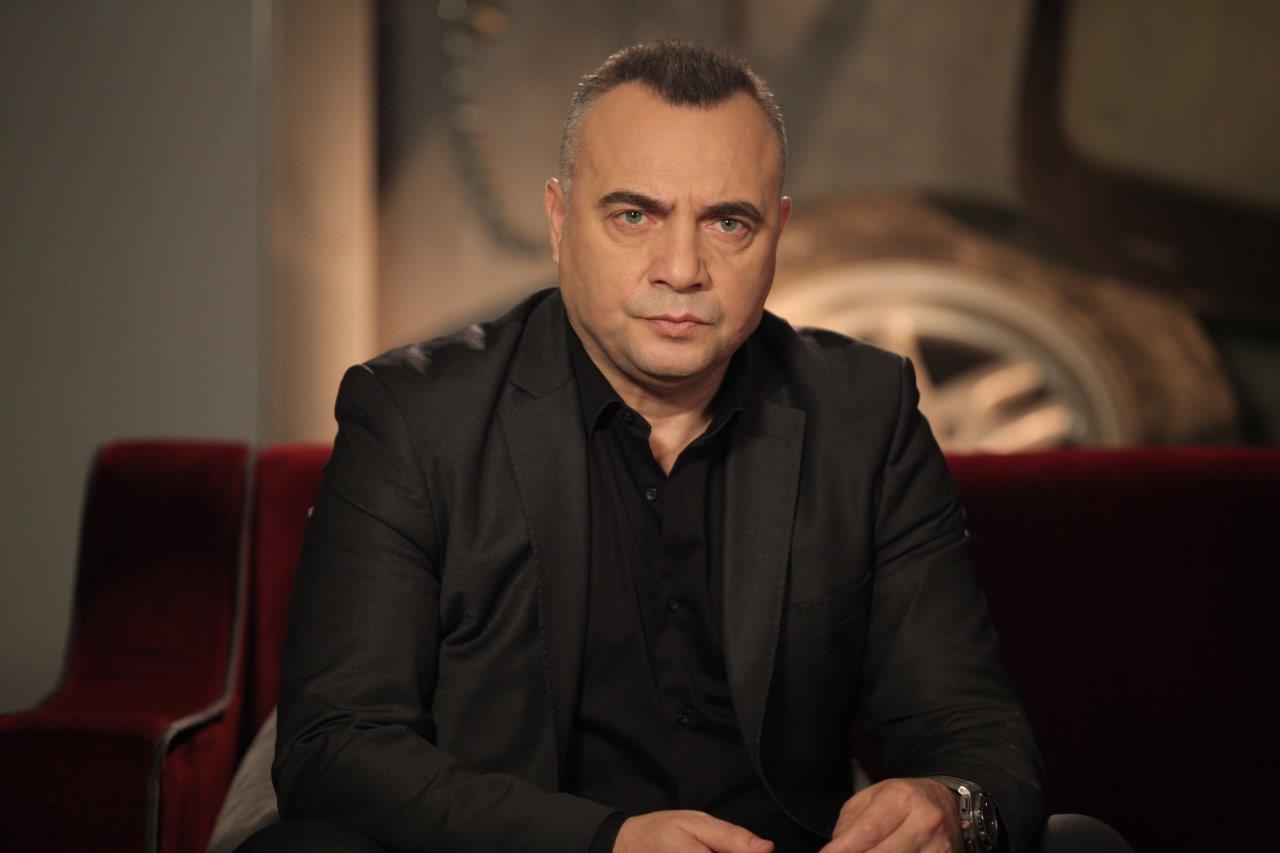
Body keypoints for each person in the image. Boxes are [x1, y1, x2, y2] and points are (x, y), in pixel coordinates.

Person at [243, 41, 1130, 853]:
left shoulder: (863, 415)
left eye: (727, 223)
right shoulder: (416, 416)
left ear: (777, 231)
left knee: (1080, 845)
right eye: (635, 215)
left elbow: (974, 728)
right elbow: (336, 745)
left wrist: (950, 801)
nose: (681, 268)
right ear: (559, 219)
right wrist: (605, 842)